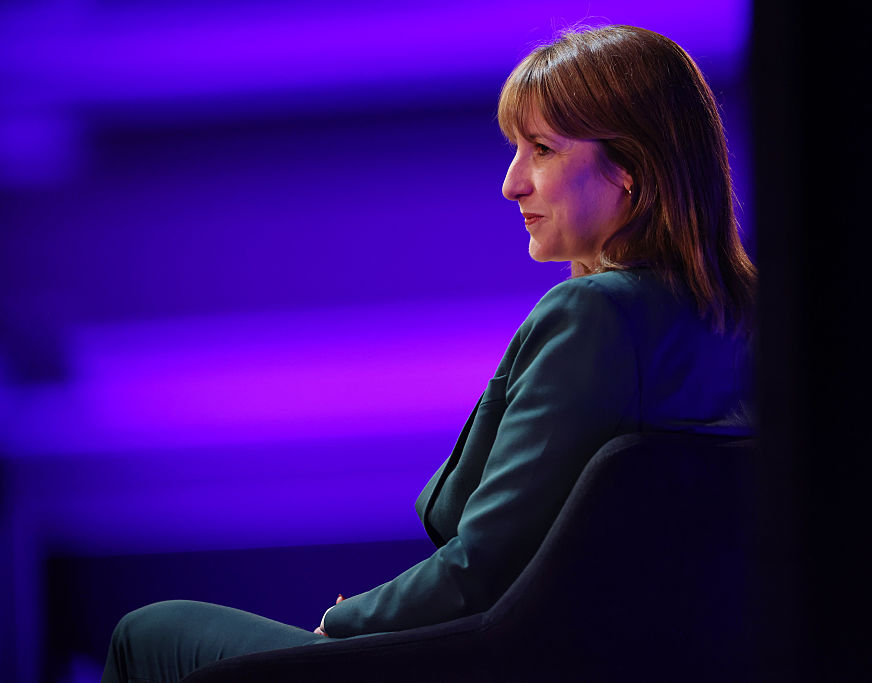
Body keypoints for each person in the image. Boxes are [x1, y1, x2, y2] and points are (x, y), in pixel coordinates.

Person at [101, 24, 756, 681]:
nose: (512, 183)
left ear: (631, 170)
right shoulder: (747, 324)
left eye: (542, 149)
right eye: (515, 149)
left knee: (146, 631)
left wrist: (346, 619)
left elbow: (482, 569)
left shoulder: (596, 318)